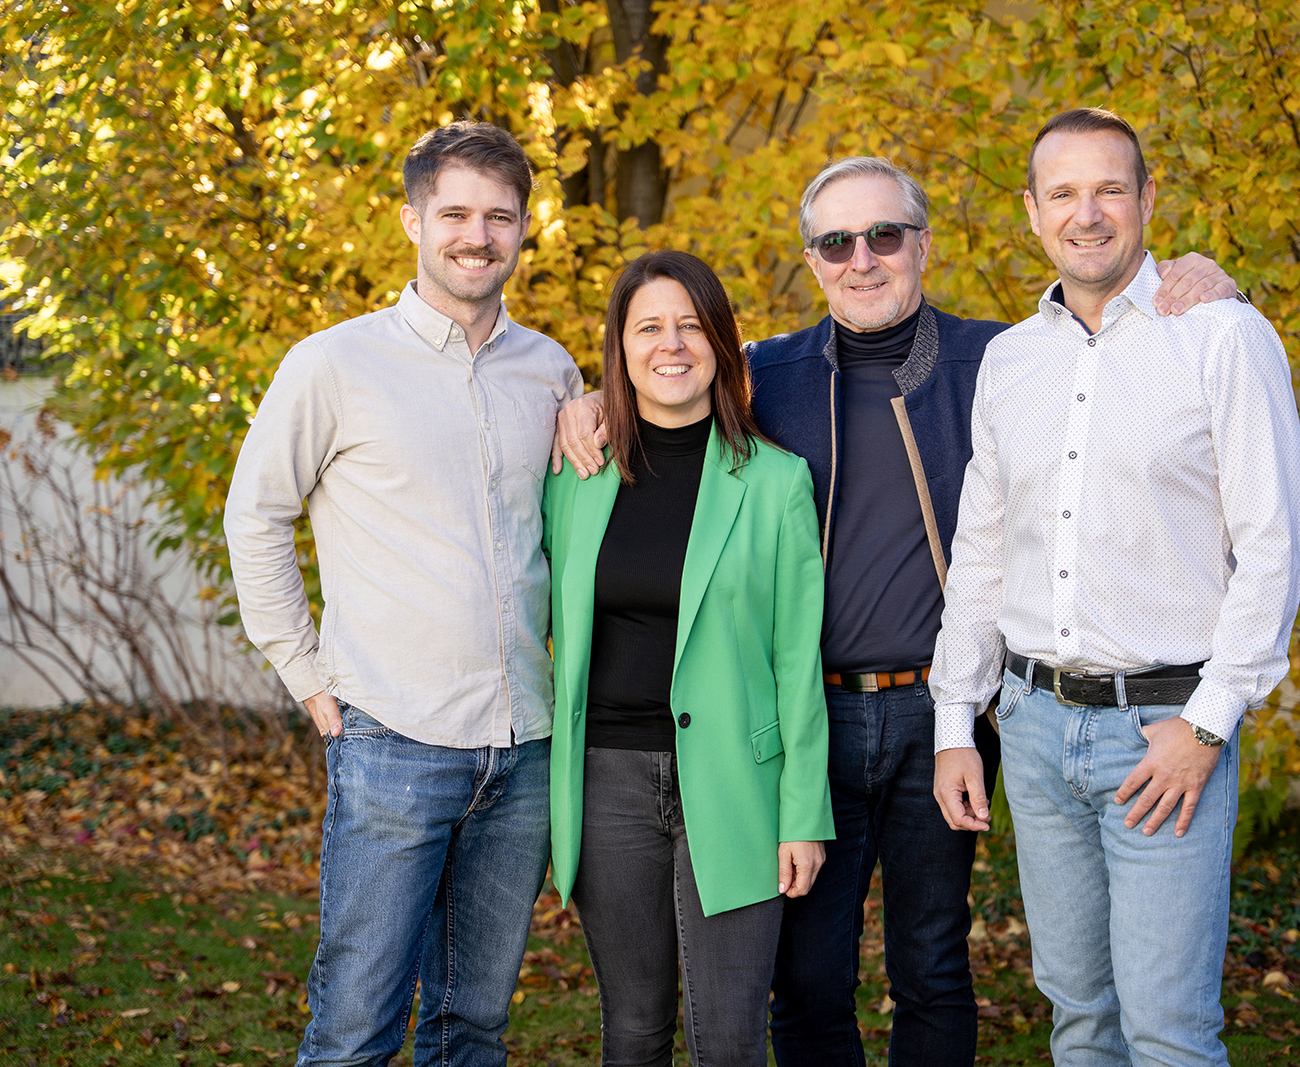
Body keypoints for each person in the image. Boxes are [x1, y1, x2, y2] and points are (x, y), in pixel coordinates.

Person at [553, 157, 1241, 1067]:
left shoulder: (1002, 360)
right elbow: (671, 386)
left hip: (940, 713)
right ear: (812, 258)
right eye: (837, 241)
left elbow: (1108, 340)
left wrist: (1204, 278)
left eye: (884, 235)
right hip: (807, 719)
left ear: (921, 243)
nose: (862, 259)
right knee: (804, 980)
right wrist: (596, 400)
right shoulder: (769, 372)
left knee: (932, 964)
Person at [930, 107, 1300, 1066]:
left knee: (1168, 1031)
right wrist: (956, 724)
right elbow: (981, 550)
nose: (1087, 213)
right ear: (1032, 212)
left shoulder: (1223, 337)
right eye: (1063, 193)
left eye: (1109, 189)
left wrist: (1209, 723)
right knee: (1081, 1018)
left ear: (1147, 200)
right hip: (1037, 728)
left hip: (1167, 733)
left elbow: (1271, 549)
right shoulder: (1011, 361)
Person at [223, 121, 582, 1067]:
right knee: (353, 1030)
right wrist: (305, 671)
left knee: (474, 1030)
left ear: (522, 227)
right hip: (392, 737)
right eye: (456, 213)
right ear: (412, 220)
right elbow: (255, 516)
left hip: (524, 748)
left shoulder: (550, 370)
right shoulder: (333, 364)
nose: (478, 235)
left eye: (499, 216)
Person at [542, 250, 834, 1067]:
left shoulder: (776, 482)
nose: (671, 344)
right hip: (608, 784)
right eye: (648, 327)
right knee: (632, 1031)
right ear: (620, 348)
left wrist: (803, 814)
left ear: (722, 342)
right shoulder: (573, 474)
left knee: (731, 1038)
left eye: (690, 324)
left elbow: (796, 659)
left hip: (738, 782)